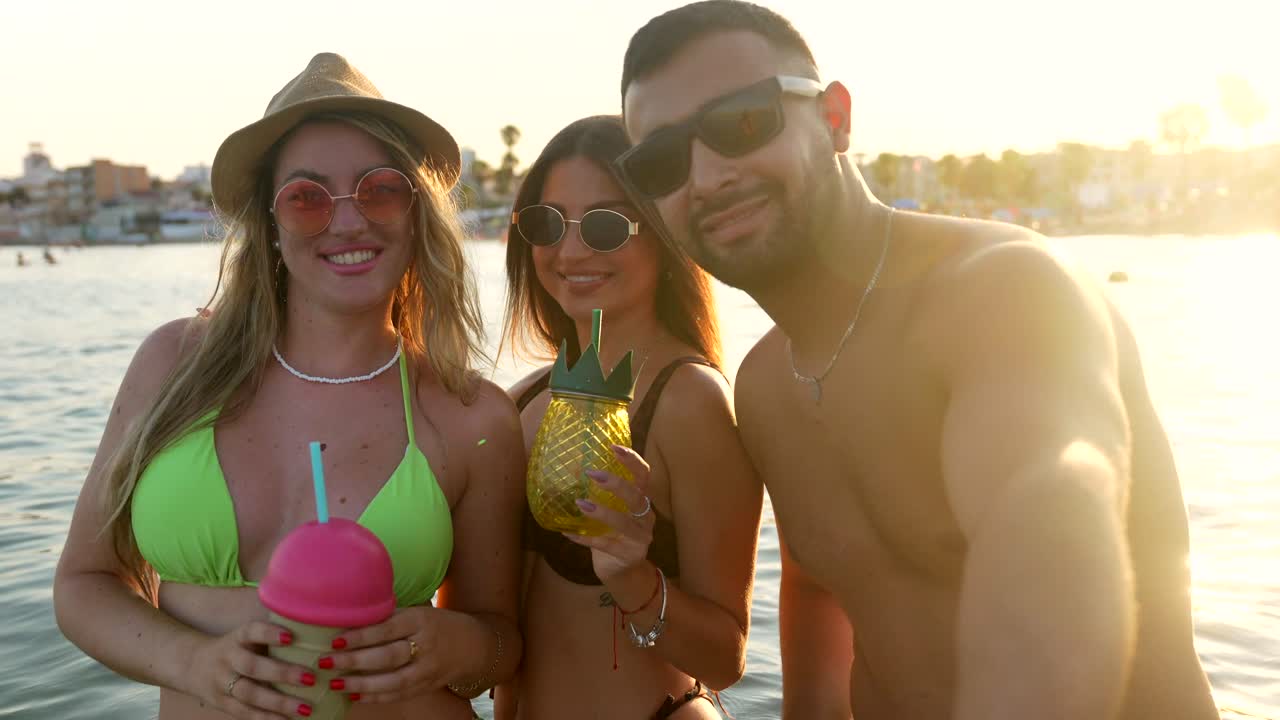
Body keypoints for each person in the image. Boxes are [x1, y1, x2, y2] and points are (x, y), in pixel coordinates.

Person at [614, 3, 1220, 719]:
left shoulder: (1006, 298)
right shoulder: (767, 385)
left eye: (743, 123)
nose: (707, 176)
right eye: (661, 160)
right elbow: (821, 583)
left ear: (835, 118)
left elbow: (1051, 554)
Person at [52, 53, 525, 720]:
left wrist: (455, 642)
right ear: (270, 226)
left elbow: (501, 642)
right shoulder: (175, 365)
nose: (349, 220)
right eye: (306, 198)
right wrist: (195, 664)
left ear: (416, 211)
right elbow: (83, 585)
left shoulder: (470, 413)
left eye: (380, 188)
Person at [495, 115, 762, 719]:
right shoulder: (519, 401)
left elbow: (725, 660)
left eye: (607, 225)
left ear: (664, 234)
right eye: (547, 223)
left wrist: (632, 578)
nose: (570, 250)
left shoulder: (688, 401)